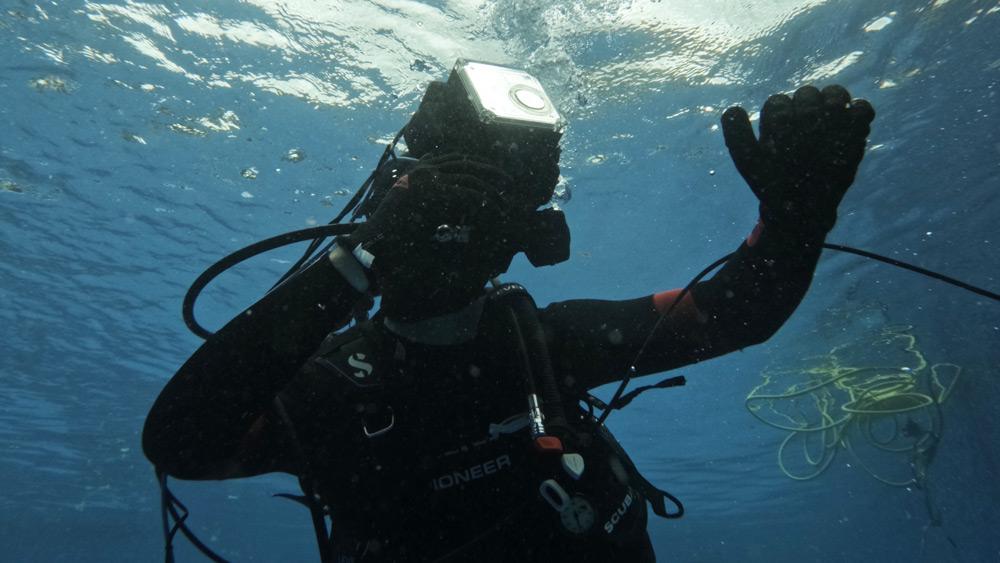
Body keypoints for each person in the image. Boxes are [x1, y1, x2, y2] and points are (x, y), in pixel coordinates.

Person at [143, 60, 875, 562]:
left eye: (480, 207)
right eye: (440, 204)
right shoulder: (337, 389)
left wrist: (793, 222)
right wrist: (354, 262)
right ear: (390, 206)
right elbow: (182, 442)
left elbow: (736, 312)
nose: (454, 231)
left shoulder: (547, 344)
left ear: (520, 233)